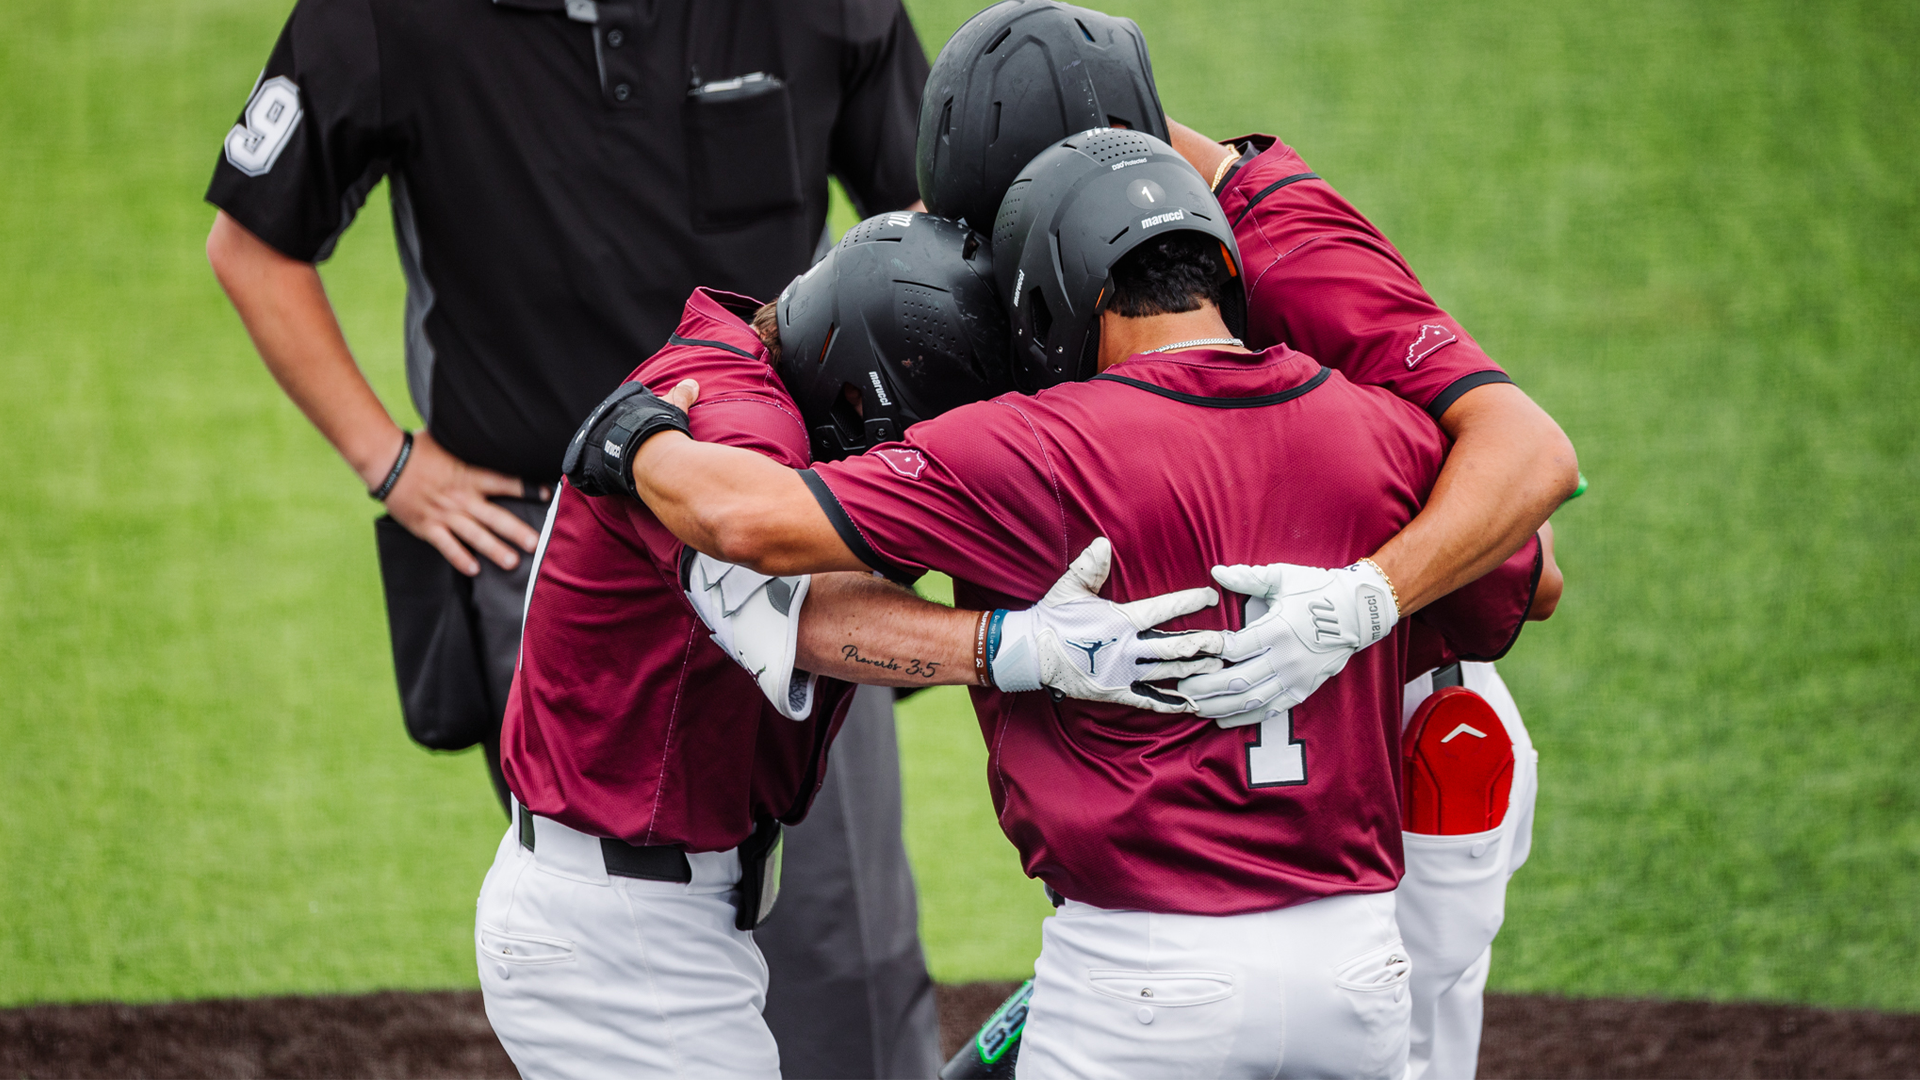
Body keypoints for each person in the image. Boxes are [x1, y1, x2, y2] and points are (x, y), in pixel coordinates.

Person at [624, 131, 1558, 1079]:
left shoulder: (1029, 446)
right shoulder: (1383, 433)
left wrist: (640, 432)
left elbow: (744, 522)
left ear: (1079, 288)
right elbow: (1534, 565)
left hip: (1143, 985)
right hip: (1358, 974)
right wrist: (1368, 596)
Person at [200, 1, 944, 1075]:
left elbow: (930, 221)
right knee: (626, 932)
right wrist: (392, 463)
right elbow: (251, 243)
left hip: (786, 539)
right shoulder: (384, 17)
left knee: (844, 951)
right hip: (555, 568)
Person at [916, 7, 1576, 1073]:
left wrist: (1362, 593)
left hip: (1406, 747)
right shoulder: (1085, 226)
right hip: (1242, 793)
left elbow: (1528, 522)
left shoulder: (1292, 253)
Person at [483, 215, 1222, 1079]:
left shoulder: (755, 378)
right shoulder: (735, 414)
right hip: (622, 943)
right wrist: (1021, 647)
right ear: (854, 398)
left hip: (643, 917)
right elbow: (801, 608)